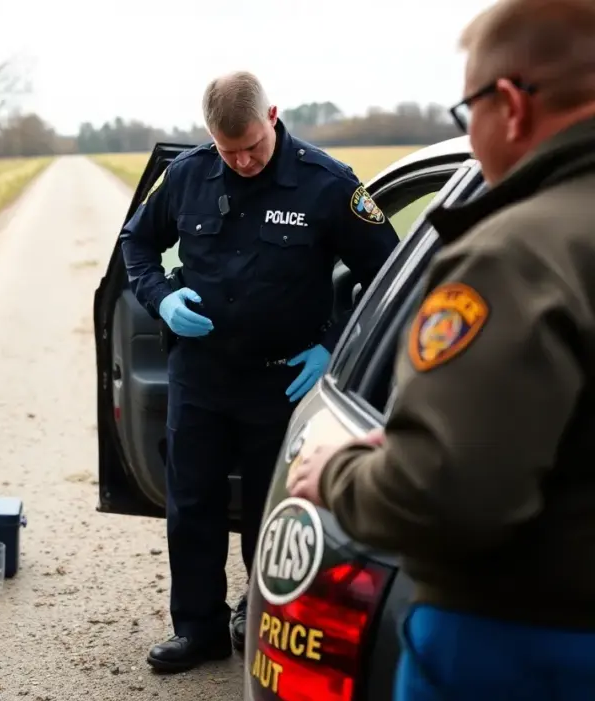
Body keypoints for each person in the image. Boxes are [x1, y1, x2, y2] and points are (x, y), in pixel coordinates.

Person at [286, 0, 595, 698]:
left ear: (510, 104)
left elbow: (445, 497)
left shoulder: (514, 253)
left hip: (522, 647)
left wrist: (338, 475)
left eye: (468, 112)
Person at [119, 70, 400, 672]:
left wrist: (333, 345)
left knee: (273, 514)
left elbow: (390, 276)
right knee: (190, 505)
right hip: (200, 376)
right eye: (229, 150)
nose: (243, 160)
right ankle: (198, 630)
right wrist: (161, 297)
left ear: (273, 116)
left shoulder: (328, 185)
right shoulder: (189, 175)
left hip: (283, 380)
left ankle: (262, 619)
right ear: (210, 138)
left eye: (252, 145)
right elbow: (135, 243)